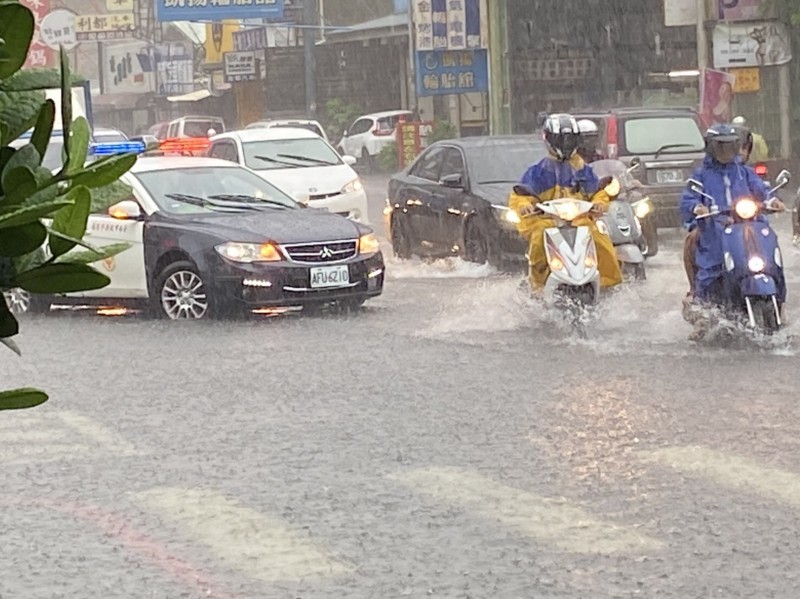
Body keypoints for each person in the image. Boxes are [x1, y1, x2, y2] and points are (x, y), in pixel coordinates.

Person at [680, 123, 785, 339]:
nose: (726, 152)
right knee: (710, 271)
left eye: (730, 147)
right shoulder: (701, 176)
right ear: (710, 147)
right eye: (721, 147)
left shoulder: (744, 172)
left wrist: (773, 200)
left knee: (771, 261)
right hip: (715, 232)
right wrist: (697, 207)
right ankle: (703, 313)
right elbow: (688, 197)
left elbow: (762, 189)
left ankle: (779, 301)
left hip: (748, 229)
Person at [509, 113, 623, 291]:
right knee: (539, 236)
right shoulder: (537, 172)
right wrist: (524, 205)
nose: (566, 145)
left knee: (600, 236)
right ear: (549, 139)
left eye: (570, 140)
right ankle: (538, 283)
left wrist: (600, 202)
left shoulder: (583, 169)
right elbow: (520, 194)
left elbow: (597, 191)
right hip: (548, 220)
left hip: (580, 219)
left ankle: (608, 283)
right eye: (562, 140)